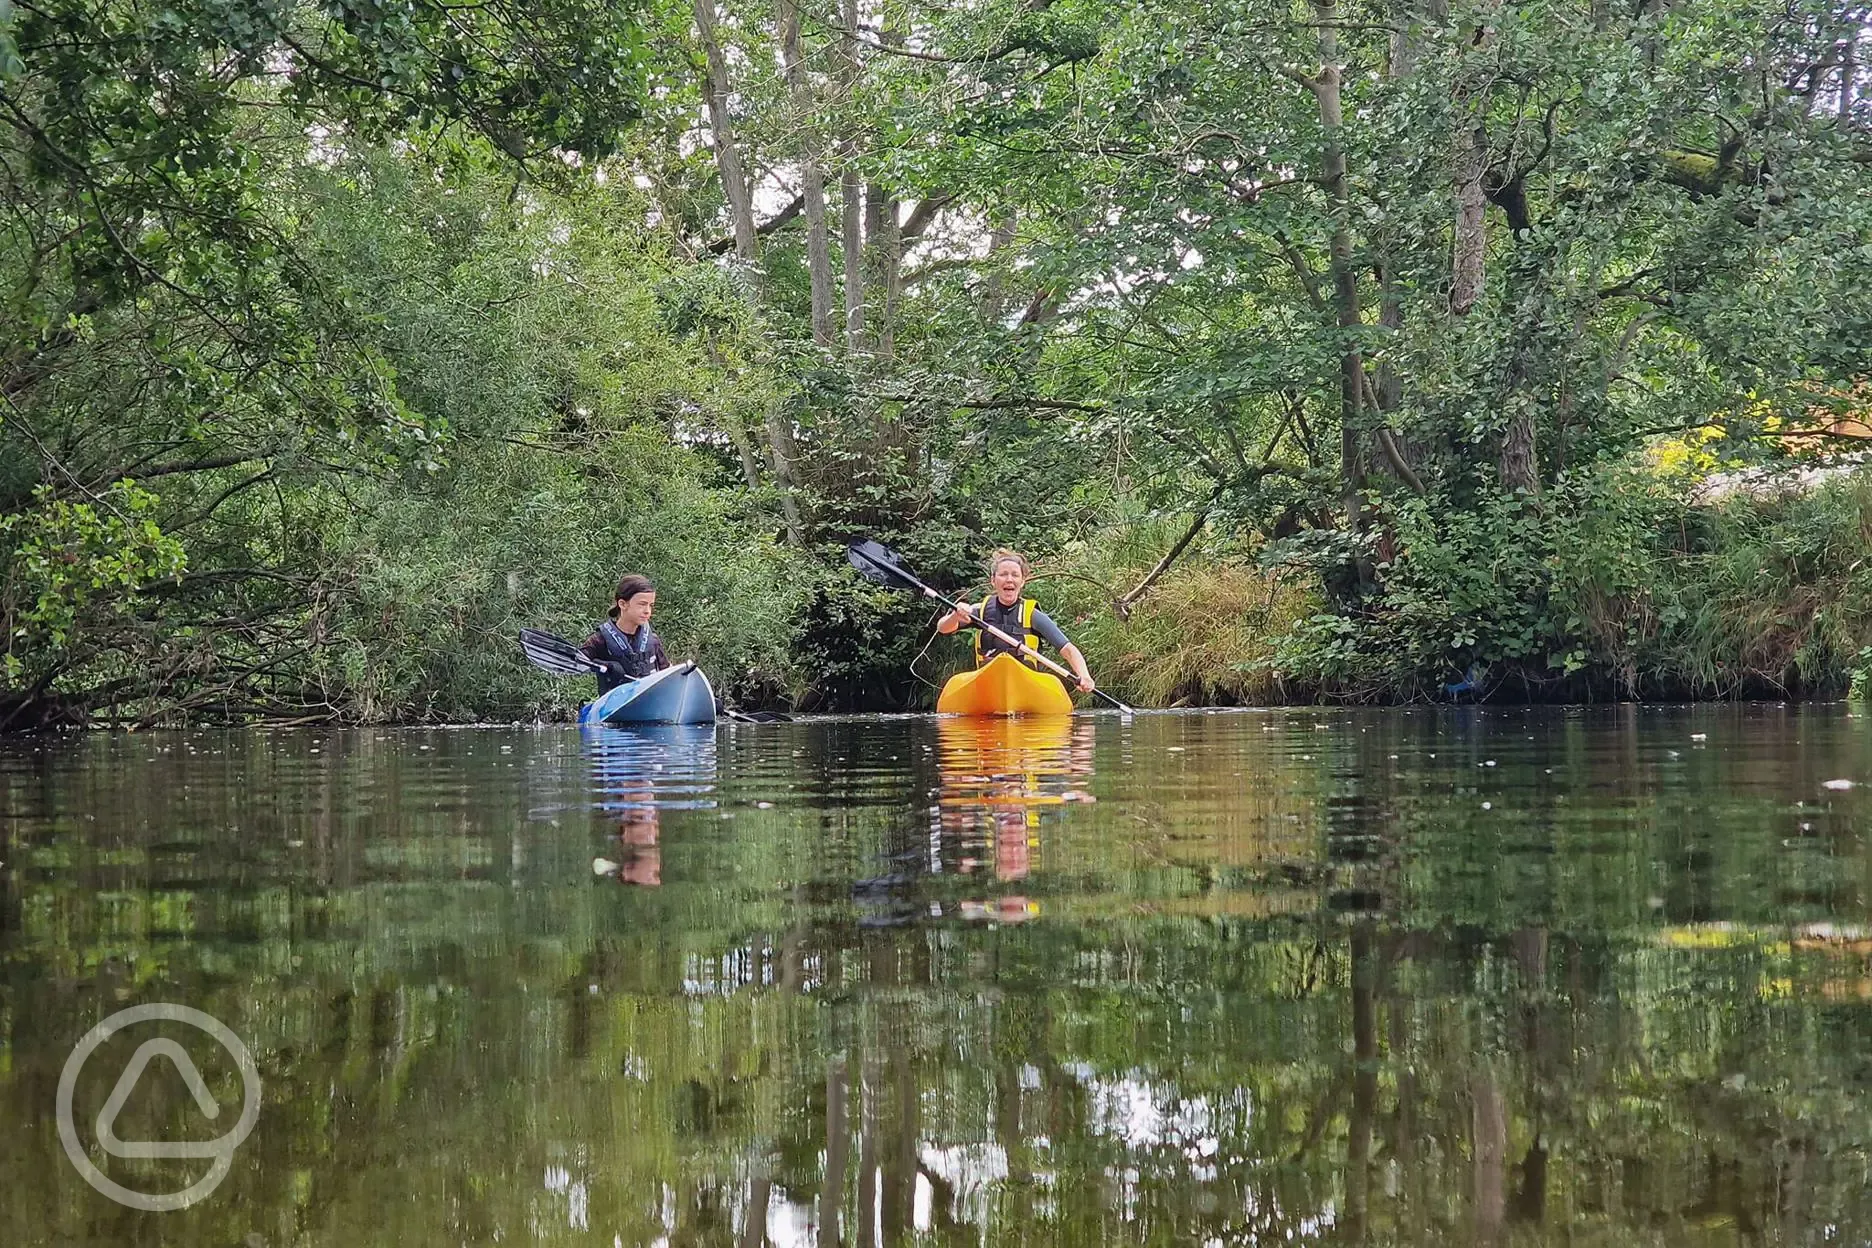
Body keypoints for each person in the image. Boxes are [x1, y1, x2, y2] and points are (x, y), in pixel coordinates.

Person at [936, 549, 1096, 692]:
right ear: (993, 580)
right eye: (1003, 574)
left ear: (1022, 581)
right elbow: (943, 628)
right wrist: (955, 615)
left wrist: (1084, 676)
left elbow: (1067, 648)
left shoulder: (1033, 615)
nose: (1009, 579)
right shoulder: (980, 611)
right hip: (989, 682)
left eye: (1015, 575)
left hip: (1025, 682)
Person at [580, 574, 670, 694]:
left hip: (649, 706)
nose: (647, 611)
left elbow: (669, 673)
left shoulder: (653, 641)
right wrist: (602, 664)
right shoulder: (599, 640)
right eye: (642, 604)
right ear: (622, 604)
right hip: (615, 708)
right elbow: (577, 663)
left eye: (651, 605)